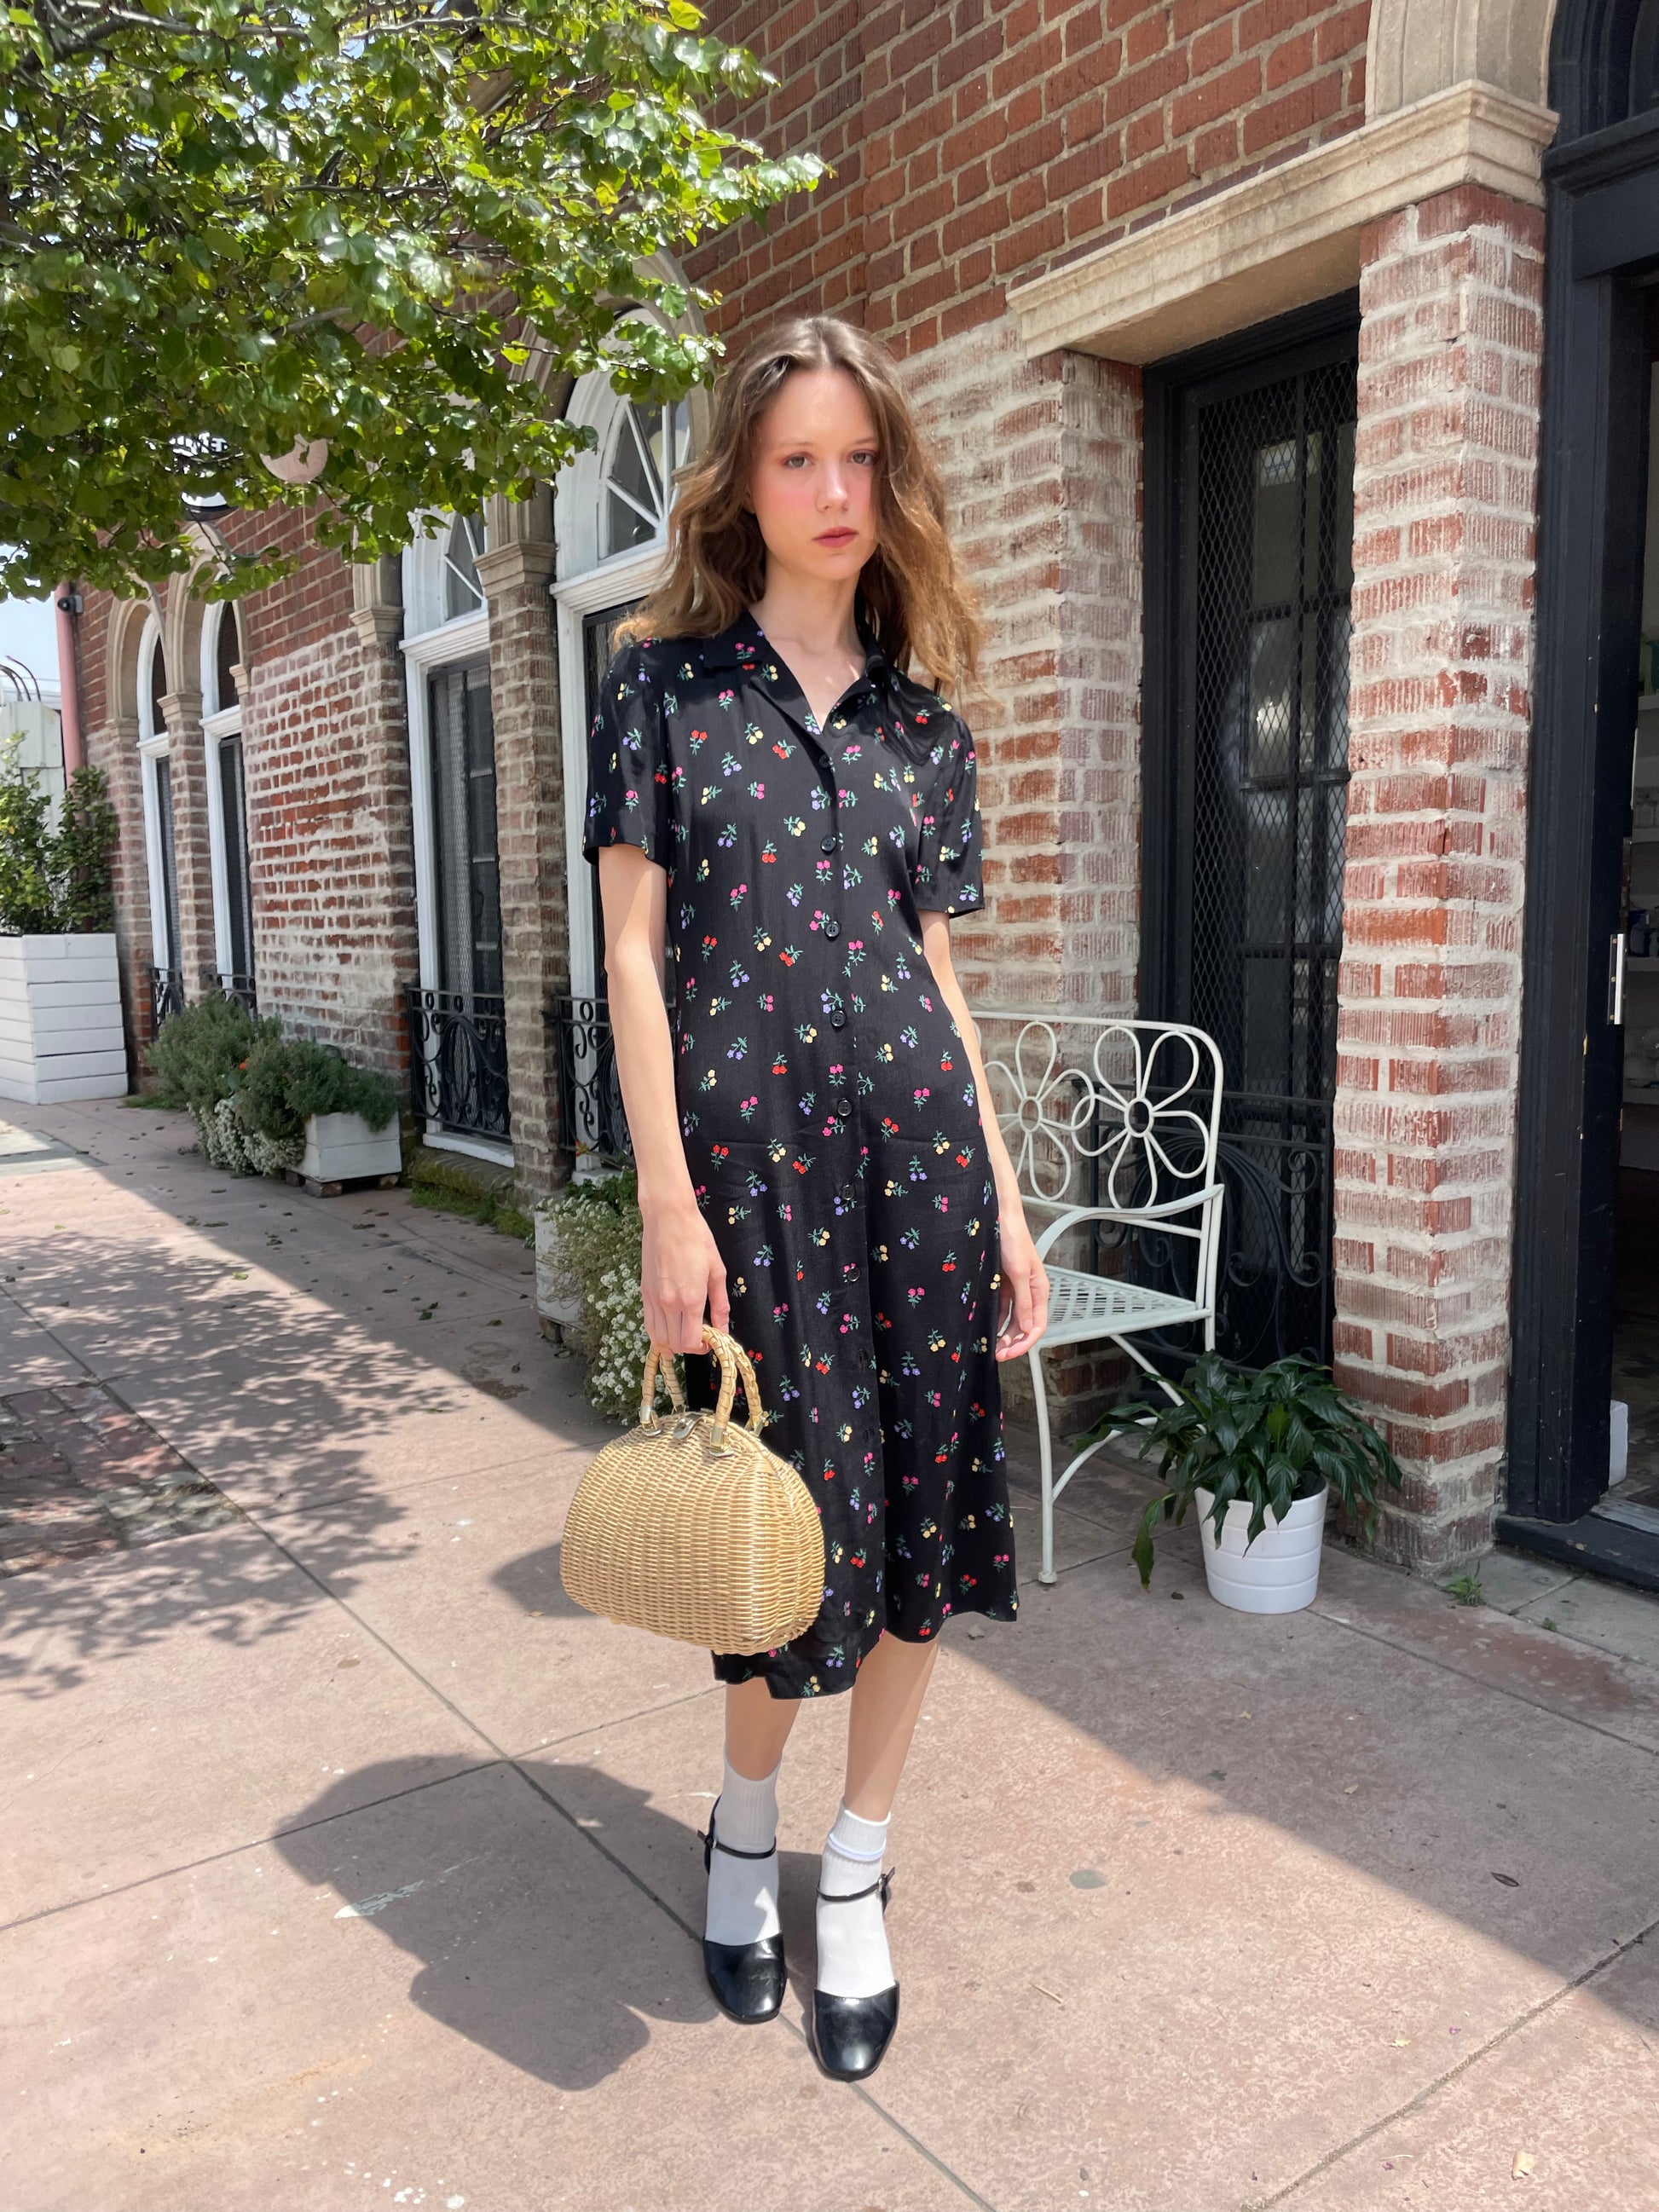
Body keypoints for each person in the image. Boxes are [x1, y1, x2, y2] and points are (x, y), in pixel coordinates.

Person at [582, 314, 1049, 2082]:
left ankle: (856, 1867)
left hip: (923, 1174)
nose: (834, 489)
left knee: (920, 1528)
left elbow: (940, 980)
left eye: (859, 457)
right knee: (774, 1541)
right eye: (799, 457)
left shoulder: (928, 728)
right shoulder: (663, 687)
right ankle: (743, 1823)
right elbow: (632, 956)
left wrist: (1008, 1199)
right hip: (751, 1180)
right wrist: (665, 1201)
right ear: (744, 482)